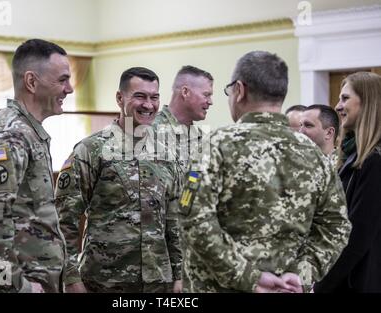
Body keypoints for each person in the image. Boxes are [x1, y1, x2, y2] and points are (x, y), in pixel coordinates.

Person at [178, 51, 351, 293]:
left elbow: (193, 219)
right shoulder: (315, 155)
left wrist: (248, 277)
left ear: (240, 90)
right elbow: (337, 226)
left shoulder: (214, 146)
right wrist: (301, 274)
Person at [55, 67, 182, 293]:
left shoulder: (167, 154)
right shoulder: (91, 150)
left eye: (154, 97)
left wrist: (180, 275)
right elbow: (65, 220)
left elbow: (174, 221)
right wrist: (71, 278)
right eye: (140, 96)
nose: (149, 105)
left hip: (158, 283)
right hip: (104, 282)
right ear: (119, 98)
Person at [0, 39, 73, 293]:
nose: (70, 89)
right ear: (32, 82)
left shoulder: (28, 132)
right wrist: (17, 286)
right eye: (62, 80)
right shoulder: (10, 135)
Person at [314, 72, 381, 293]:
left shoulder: (375, 162)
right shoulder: (354, 156)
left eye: (345, 98)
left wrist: (322, 286)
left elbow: (356, 237)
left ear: (368, 102)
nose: (337, 105)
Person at [153, 65, 213, 174]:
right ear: (185, 92)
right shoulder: (149, 131)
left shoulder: (202, 139)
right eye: (206, 95)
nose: (210, 102)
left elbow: (197, 178)